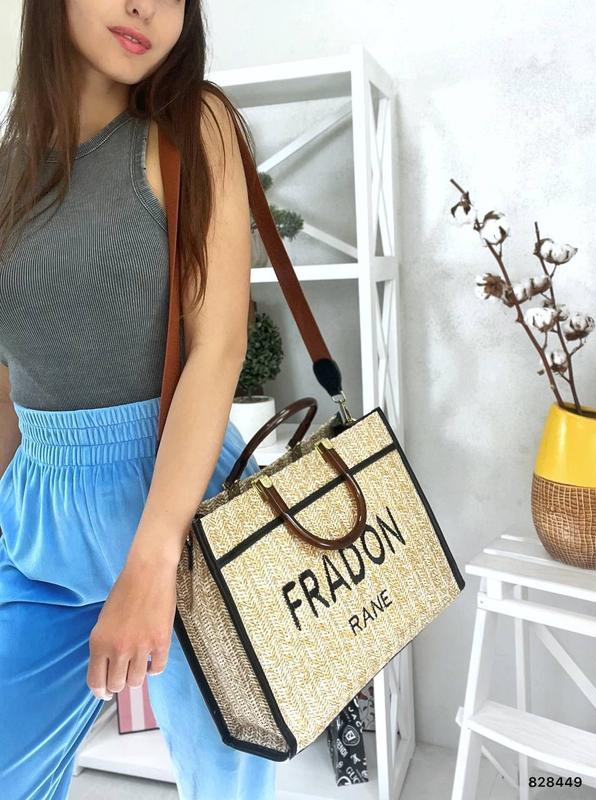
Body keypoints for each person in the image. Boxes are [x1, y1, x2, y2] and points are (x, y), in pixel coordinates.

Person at [0, 1, 277, 798]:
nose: (145, 7)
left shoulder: (192, 126)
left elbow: (219, 346)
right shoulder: (8, 171)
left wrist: (155, 560)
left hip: (185, 513)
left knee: (228, 780)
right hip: (38, 518)